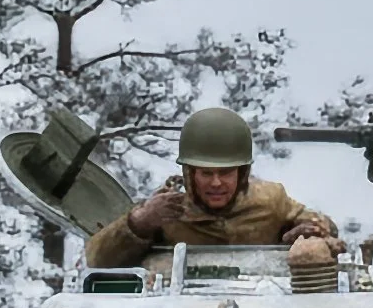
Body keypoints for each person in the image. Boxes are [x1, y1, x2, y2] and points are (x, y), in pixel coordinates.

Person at [83, 107, 341, 268]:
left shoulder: (271, 199)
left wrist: (306, 233)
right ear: (189, 174)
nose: (216, 183)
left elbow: (325, 228)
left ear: (242, 174)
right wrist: (140, 223)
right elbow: (97, 261)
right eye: (206, 173)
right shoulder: (164, 211)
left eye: (226, 173)